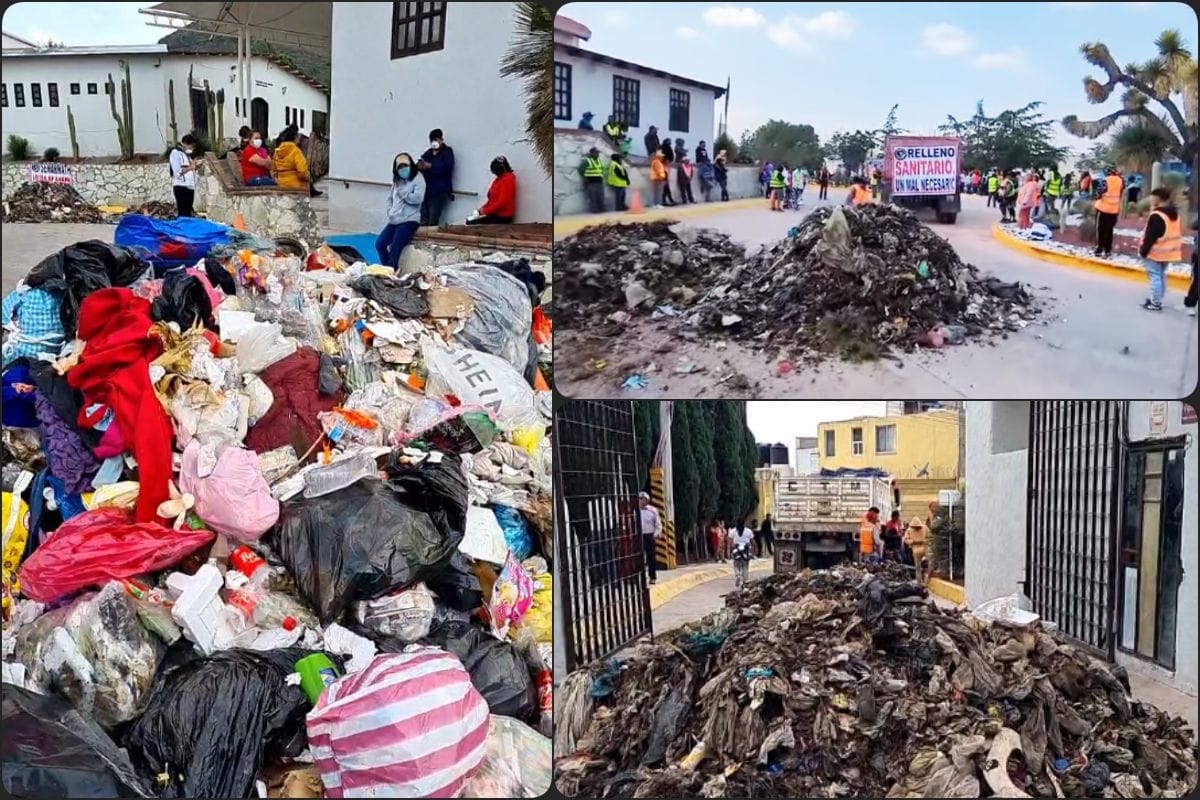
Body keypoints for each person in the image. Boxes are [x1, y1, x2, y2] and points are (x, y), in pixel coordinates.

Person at [375, 153, 426, 269]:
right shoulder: (397, 181)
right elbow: (390, 198)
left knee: (395, 246)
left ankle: (391, 270)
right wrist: (390, 210)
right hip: (394, 219)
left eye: (405, 166)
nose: (403, 170)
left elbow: (418, 198)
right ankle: (387, 268)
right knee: (380, 244)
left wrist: (405, 195)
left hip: (409, 220)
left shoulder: (418, 178)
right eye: (400, 168)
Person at [1137, 187, 1182, 312]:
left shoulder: (1157, 215)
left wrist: (1143, 251)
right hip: (1168, 252)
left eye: (1152, 197)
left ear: (1158, 198)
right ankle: (1157, 299)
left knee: (1155, 276)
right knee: (1160, 275)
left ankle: (1155, 303)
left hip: (1155, 251)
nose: (1150, 199)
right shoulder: (1174, 214)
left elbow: (1150, 236)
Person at [417, 128, 455, 227]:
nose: (434, 143)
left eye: (437, 140)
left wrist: (431, 166)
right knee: (423, 219)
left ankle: (430, 242)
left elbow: (446, 167)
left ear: (441, 140)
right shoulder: (429, 153)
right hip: (426, 191)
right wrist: (420, 165)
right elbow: (420, 162)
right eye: (432, 140)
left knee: (432, 221)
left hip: (439, 192)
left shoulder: (447, 152)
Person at [467, 155, 517, 224]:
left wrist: (484, 211)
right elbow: (491, 199)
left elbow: (502, 203)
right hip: (494, 213)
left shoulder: (508, 179)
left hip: (502, 216)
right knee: (470, 221)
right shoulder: (498, 179)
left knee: (473, 223)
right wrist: (482, 209)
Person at [1093, 167, 1124, 257]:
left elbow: (1098, 192)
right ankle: (1108, 250)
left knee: (1100, 230)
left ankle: (1099, 249)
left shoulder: (1105, 180)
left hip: (1103, 209)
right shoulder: (1121, 181)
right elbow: (1121, 192)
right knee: (1109, 230)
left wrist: (1098, 197)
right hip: (1114, 210)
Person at [271, 124, 311, 192]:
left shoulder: (277, 152)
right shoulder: (296, 151)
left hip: (282, 187)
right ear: (295, 138)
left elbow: (274, 170)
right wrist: (308, 177)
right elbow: (302, 171)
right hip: (297, 188)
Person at [168, 134, 198, 218]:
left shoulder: (186, 154)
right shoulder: (175, 153)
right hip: (181, 186)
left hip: (190, 186)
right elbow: (177, 172)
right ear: (185, 144)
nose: (192, 149)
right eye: (191, 146)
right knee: (183, 212)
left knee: (188, 212)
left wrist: (195, 166)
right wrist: (190, 167)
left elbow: (188, 168)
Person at [638, 492, 662, 584]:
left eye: (643, 499)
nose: (641, 501)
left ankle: (652, 577)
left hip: (649, 535)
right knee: (639, 558)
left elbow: (658, 524)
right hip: (639, 536)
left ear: (647, 500)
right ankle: (640, 577)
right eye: (640, 499)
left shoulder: (652, 510)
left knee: (651, 557)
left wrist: (656, 534)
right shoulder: (635, 510)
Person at [729, 519, 755, 588]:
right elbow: (753, 542)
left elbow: (730, 542)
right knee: (745, 566)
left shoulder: (733, 531)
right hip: (746, 550)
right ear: (744, 523)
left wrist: (731, 550)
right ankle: (745, 581)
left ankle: (738, 575)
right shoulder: (748, 531)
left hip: (736, 549)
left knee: (736, 565)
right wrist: (753, 551)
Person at [579, 146, 605, 213]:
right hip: (591, 182)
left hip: (599, 181)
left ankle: (601, 208)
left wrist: (601, 175)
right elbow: (580, 169)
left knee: (600, 196)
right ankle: (595, 209)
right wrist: (585, 178)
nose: (597, 154)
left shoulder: (598, 160)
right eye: (596, 152)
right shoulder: (587, 160)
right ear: (591, 153)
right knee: (593, 197)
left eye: (598, 152)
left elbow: (601, 169)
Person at [904, 517, 930, 584]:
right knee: (918, 567)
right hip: (918, 550)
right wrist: (913, 542)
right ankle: (919, 583)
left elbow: (906, 540)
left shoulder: (924, 528)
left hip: (922, 549)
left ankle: (923, 580)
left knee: (921, 567)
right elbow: (906, 540)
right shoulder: (910, 530)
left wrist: (923, 541)